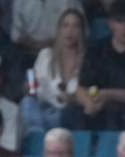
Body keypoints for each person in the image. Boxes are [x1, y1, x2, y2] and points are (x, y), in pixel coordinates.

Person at [67, 1, 125, 131]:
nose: (124, 27)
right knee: (71, 112)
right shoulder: (96, 49)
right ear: (110, 23)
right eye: (119, 21)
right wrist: (88, 102)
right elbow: (81, 88)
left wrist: (109, 95)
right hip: (101, 108)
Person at [21, 7, 86, 136]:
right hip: (42, 111)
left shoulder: (87, 61)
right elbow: (33, 89)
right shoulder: (45, 55)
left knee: (65, 114)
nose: (70, 31)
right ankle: (38, 141)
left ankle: (42, 142)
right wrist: (28, 88)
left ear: (81, 32)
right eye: (65, 25)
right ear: (59, 30)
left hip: (66, 115)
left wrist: (74, 99)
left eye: (75, 26)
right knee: (27, 103)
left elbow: (92, 94)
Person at [12, 0, 81, 57]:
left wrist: (55, 43)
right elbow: (16, 35)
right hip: (30, 55)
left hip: (64, 54)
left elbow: (82, 30)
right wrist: (37, 46)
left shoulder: (70, 1)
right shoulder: (19, 1)